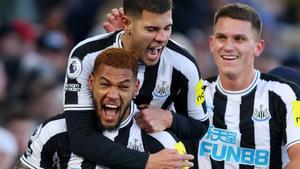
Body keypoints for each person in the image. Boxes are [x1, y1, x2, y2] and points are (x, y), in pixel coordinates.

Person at [63, 0, 208, 168]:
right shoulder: (87, 55)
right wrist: (146, 162)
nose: (162, 38)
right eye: (151, 29)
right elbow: (80, 137)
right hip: (98, 156)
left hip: (156, 152)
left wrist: (170, 119)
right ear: (126, 23)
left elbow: (201, 126)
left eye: (167, 28)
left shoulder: (184, 64)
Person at [13, 48, 194, 169]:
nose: (113, 95)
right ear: (91, 83)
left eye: (123, 87)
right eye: (105, 84)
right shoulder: (53, 131)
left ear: (135, 88)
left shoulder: (163, 144)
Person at [197, 3, 300, 169]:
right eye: (221, 37)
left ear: (258, 48)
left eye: (239, 39)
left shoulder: (284, 93)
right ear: (211, 43)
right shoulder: (195, 93)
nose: (228, 47)